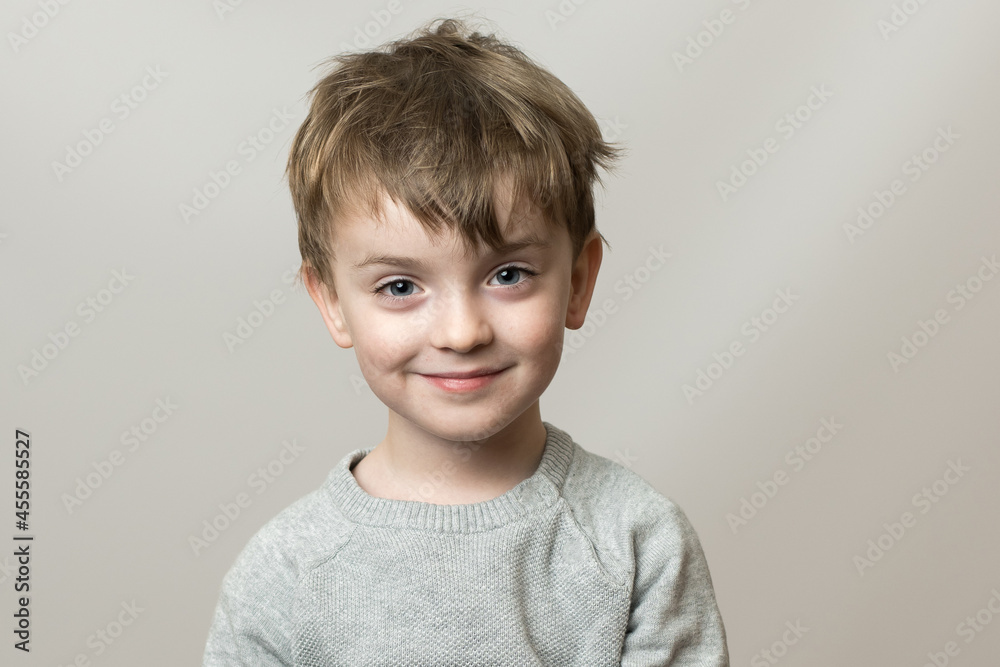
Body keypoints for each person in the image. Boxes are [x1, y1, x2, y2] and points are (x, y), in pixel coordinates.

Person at [203, 15, 729, 666]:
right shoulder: (283, 573)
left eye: (508, 274)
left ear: (579, 282)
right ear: (332, 303)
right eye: (400, 286)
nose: (461, 332)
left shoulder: (638, 542)